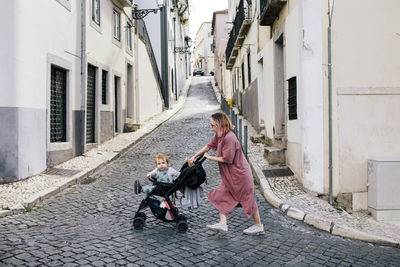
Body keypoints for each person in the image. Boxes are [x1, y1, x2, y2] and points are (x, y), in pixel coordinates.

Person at [190, 112, 264, 235]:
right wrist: (194, 156)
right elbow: (208, 147)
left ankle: (258, 226)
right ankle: (223, 224)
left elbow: (227, 159)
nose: (211, 127)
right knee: (221, 195)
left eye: (212, 125)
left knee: (248, 199)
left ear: (219, 124)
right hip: (230, 176)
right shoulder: (219, 135)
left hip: (240, 175)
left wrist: (210, 158)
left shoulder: (230, 137)